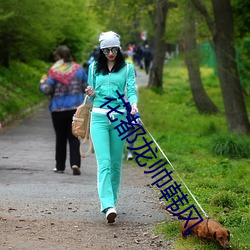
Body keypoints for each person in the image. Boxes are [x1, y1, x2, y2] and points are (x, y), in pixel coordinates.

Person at [85, 31, 138, 223]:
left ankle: (112, 201)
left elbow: (131, 90)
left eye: (114, 49)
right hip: (98, 118)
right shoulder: (93, 68)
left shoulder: (127, 68)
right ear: (101, 50)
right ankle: (107, 205)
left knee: (116, 164)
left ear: (119, 48)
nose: (110, 53)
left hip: (120, 119)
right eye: (106, 50)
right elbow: (91, 97)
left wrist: (133, 104)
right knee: (104, 163)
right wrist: (90, 92)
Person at [39, 45, 88, 175]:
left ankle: (60, 166)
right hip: (75, 109)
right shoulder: (79, 70)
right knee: (74, 137)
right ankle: (75, 163)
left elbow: (47, 90)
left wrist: (42, 83)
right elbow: (86, 87)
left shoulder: (54, 71)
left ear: (58, 57)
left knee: (60, 138)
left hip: (58, 109)